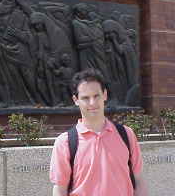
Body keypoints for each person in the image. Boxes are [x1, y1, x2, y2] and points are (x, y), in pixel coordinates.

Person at [50, 68, 147, 196]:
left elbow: (139, 181)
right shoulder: (65, 142)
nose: (92, 103)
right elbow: (60, 189)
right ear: (75, 100)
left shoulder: (127, 135)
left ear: (105, 95)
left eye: (96, 96)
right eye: (85, 98)